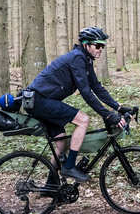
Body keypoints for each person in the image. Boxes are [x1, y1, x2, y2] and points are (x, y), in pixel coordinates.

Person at [23, 26, 133, 183]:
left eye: (103, 46)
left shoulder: (85, 60)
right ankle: (69, 167)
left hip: (42, 101)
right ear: (86, 45)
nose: (101, 49)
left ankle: (50, 188)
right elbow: (86, 92)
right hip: (38, 101)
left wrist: (119, 108)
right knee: (83, 120)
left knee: (61, 143)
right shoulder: (77, 58)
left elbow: (97, 88)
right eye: (98, 45)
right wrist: (107, 115)